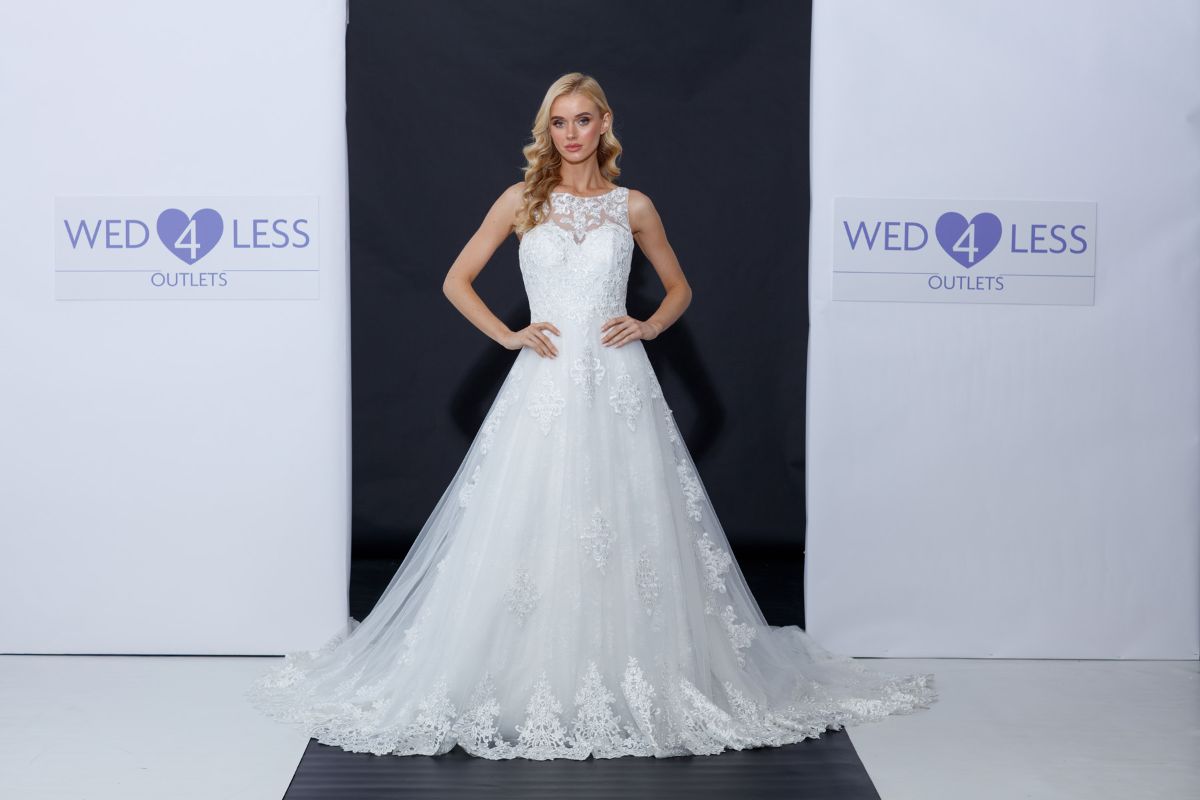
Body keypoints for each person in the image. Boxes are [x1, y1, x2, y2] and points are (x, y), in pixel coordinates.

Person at [247, 72, 937, 760]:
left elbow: (680, 287)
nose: (571, 133)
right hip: (545, 382)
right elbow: (456, 279)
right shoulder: (521, 200)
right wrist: (508, 335)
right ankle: (523, 674)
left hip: (619, 385)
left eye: (583, 120)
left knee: (625, 522)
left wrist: (650, 325)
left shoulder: (633, 207)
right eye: (559, 122)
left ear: (604, 123)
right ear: (546, 130)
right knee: (531, 519)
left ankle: (636, 671)